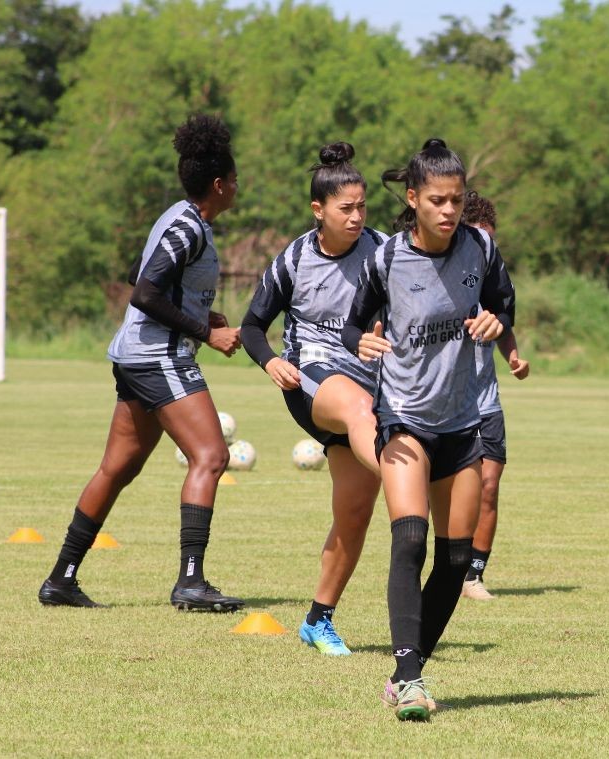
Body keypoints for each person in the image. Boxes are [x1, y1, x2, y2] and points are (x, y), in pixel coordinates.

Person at [38, 114, 245, 612]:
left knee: (117, 467)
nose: (238, 187)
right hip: (158, 356)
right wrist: (206, 331)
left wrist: (198, 306)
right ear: (218, 185)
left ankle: (61, 578)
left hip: (136, 355)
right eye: (235, 180)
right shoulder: (189, 225)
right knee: (211, 456)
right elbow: (147, 291)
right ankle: (191, 581)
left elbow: (141, 272)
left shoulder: (180, 217)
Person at [342, 139, 515, 721]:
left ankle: (403, 671)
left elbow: (503, 306)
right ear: (413, 199)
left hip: (465, 422)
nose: (448, 211)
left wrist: (497, 322)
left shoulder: (481, 250)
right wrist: (360, 340)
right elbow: (350, 326)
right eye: (437, 200)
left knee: (455, 560)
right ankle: (413, 678)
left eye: (457, 201)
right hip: (405, 417)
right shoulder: (385, 258)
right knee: (409, 539)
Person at [240, 141, 385, 656]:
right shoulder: (295, 258)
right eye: (345, 208)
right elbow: (253, 326)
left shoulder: (384, 250)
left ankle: (317, 620)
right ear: (318, 210)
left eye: (362, 206)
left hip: (373, 381)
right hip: (312, 382)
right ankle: (407, 479)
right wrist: (270, 360)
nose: (356, 216)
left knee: (354, 512)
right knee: (358, 411)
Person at [458, 190, 529, 601]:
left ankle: (473, 575)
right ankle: (445, 565)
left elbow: (503, 320)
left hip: (487, 401)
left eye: (491, 240)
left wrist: (514, 355)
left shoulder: (493, 276)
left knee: (489, 484)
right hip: (446, 403)